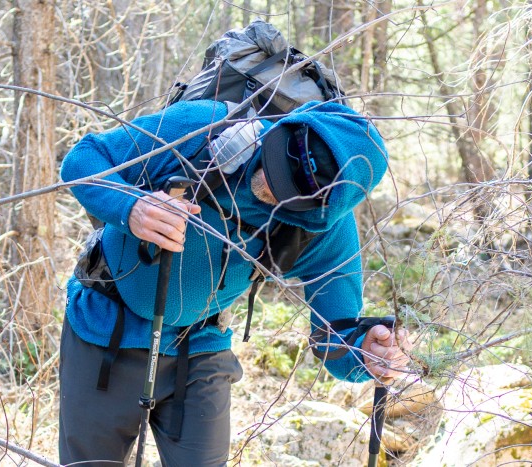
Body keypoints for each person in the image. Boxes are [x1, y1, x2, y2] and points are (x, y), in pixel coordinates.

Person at [58, 99, 413, 466]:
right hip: (105, 329)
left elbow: (335, 339)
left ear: (320, 209)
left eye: (286, 192)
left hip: (200, 347)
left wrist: (368, 354)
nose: (268, 180)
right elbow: (83, 159)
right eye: (274, 158)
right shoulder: (203, 128)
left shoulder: (326, 232)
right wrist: (132, 206)